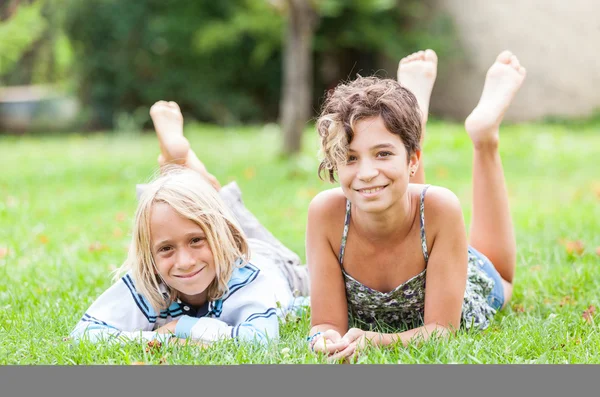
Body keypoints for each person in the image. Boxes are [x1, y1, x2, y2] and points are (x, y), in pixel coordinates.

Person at [306, 49, 526, 360]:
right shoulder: (325, 214)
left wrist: (373, 341)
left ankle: (484, 136)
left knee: (502, 280)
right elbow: (326, 322)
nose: (366, 173)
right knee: (392, 187)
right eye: (351, 158)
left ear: (414, 160)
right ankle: (413, 120)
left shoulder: (441, 208)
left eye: (383, 153)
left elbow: (441, 330)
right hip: (412, 213)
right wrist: (324, 339)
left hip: (455, 273)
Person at [71, 103, 309, 346]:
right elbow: (84, 334)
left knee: (221, 215)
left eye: (195, 241)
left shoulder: (249, 280)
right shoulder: (151, 282)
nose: (185, 262)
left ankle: (179, 165)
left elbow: (261, 340)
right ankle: (177, 165)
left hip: (269, 261)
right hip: (218, 240)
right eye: (166, 248)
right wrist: (161, 340)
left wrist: (182, 325)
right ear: (149, 258)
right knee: (178, 209)